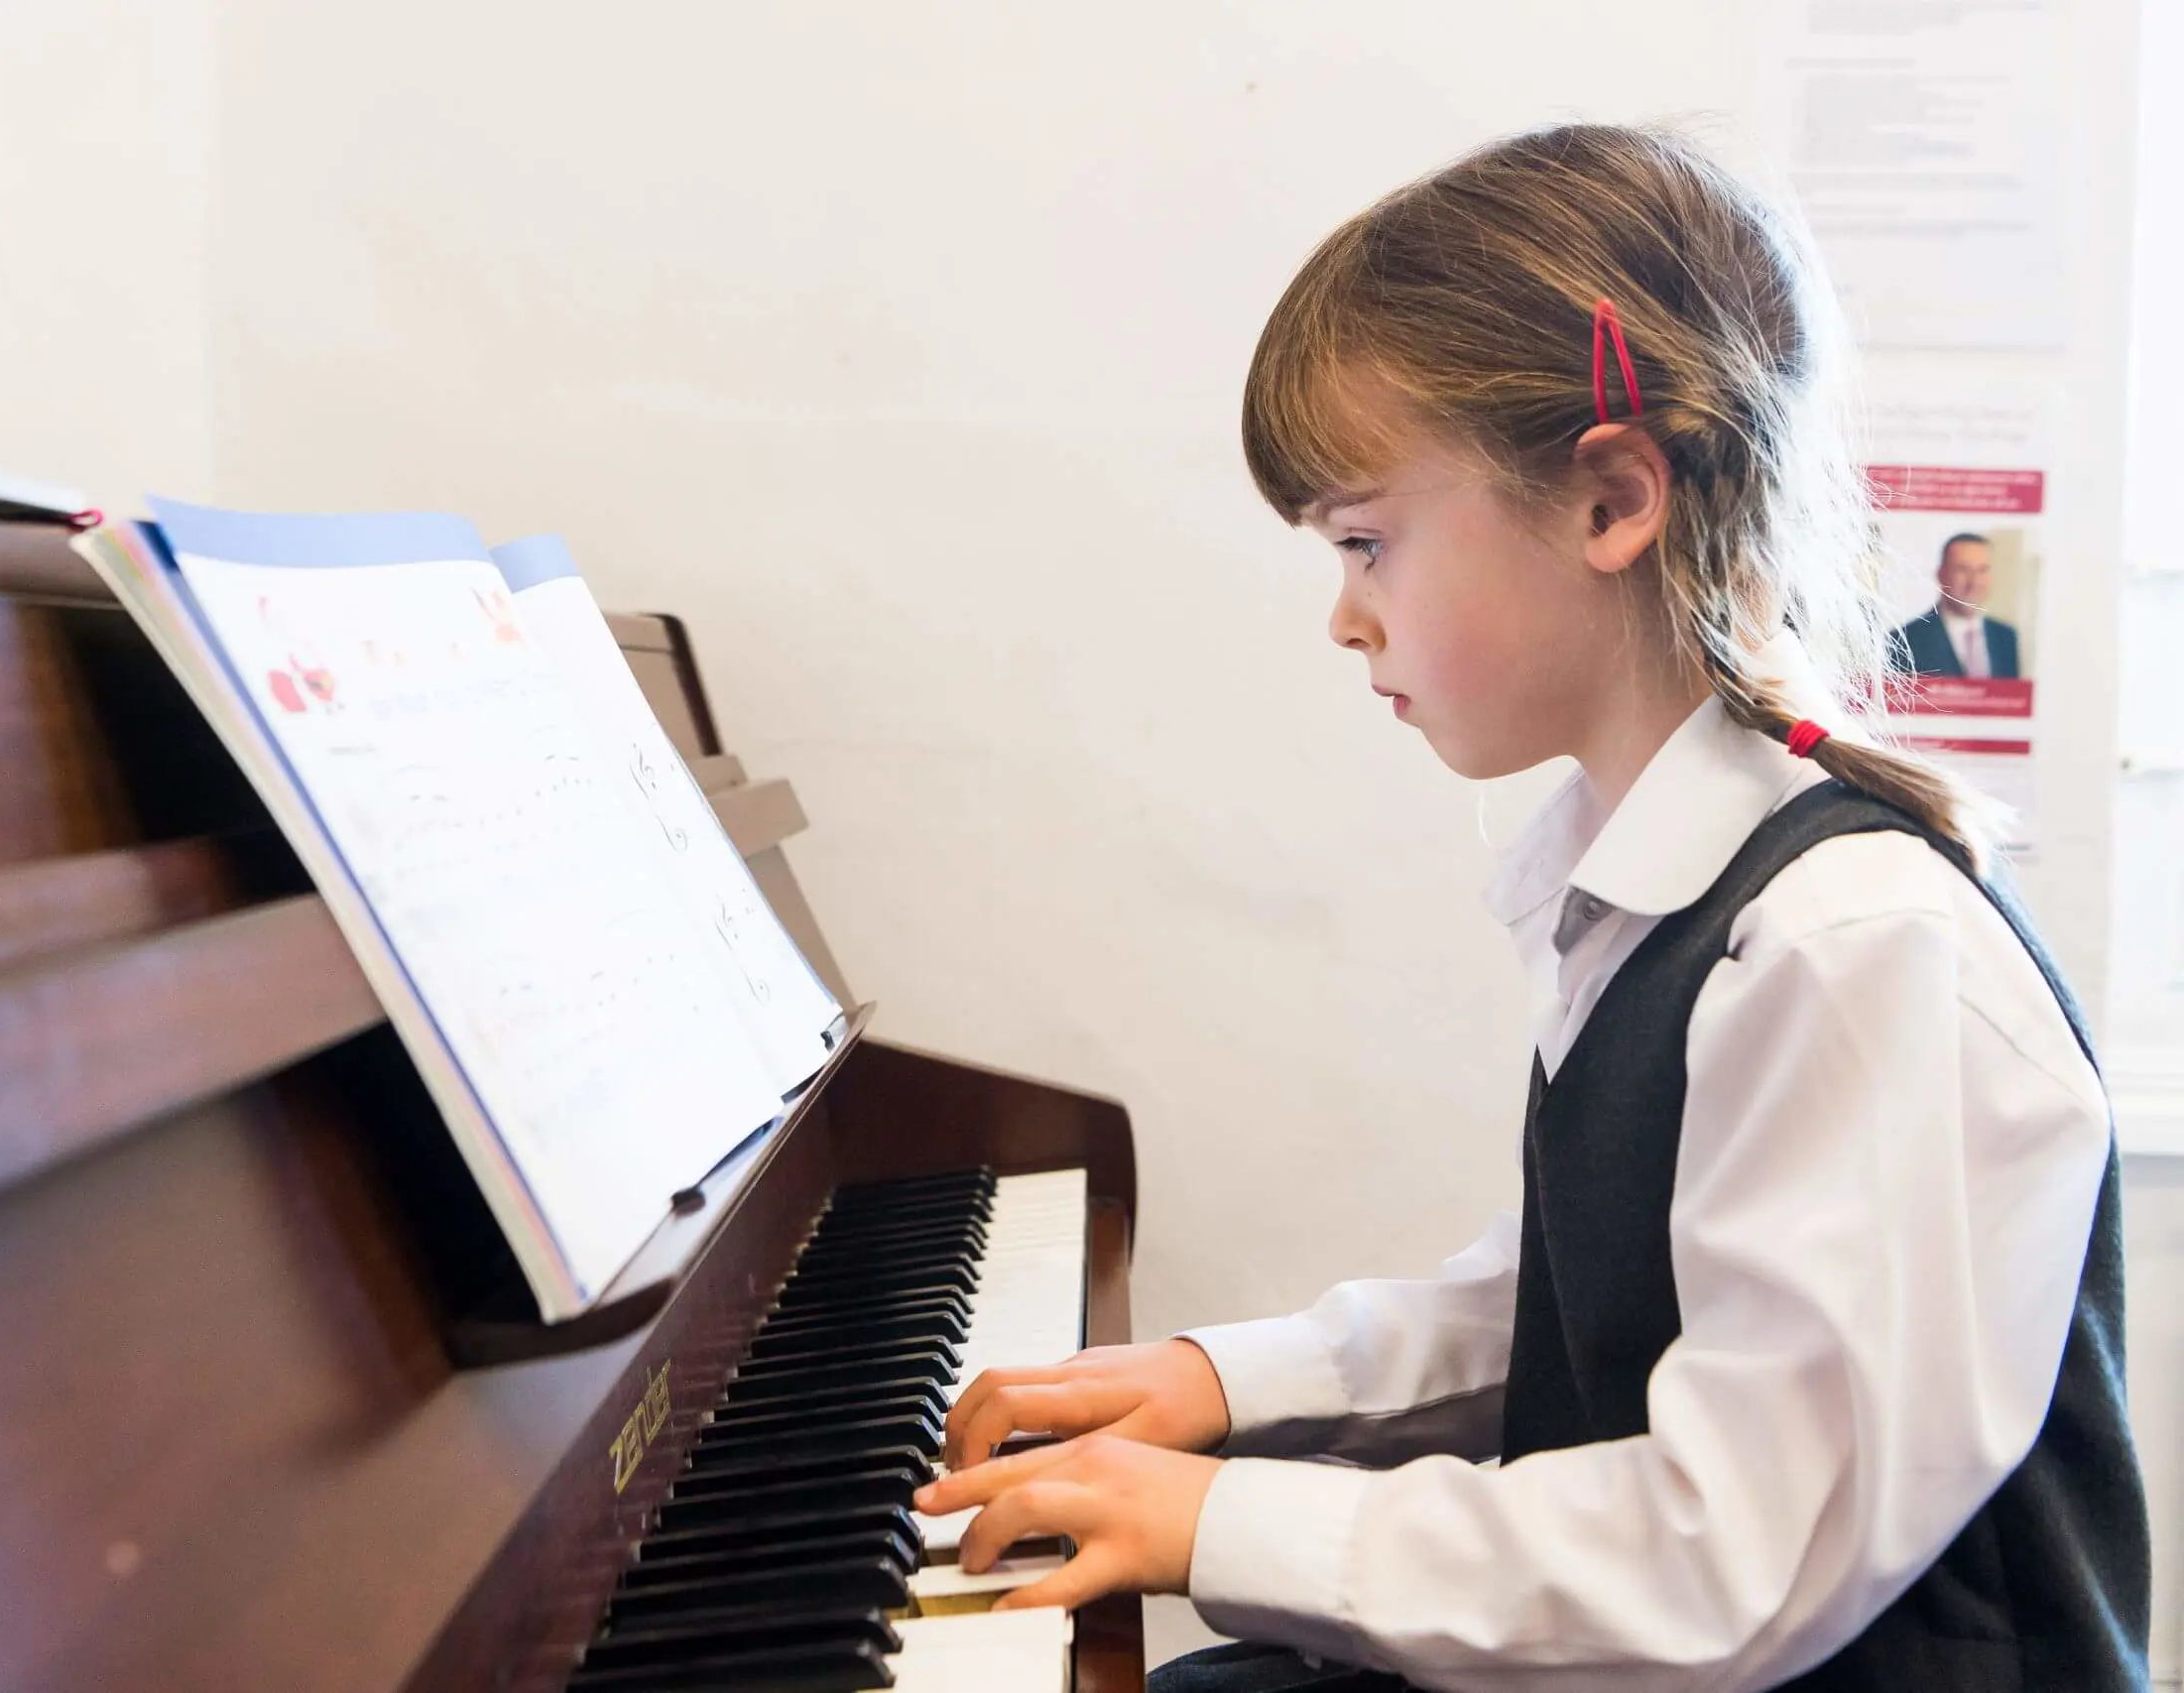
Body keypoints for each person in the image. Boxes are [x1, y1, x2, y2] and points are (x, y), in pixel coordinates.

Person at [913, 124, 2145, 1691]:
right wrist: (1223, 1382)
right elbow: (1587, 1310)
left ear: (1610, 501)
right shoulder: (1655, 875)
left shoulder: (1852, 953)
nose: (1345, 615)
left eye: (1367, 539)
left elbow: (1730, 1563)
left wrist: (1218, 1517)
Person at [1893, 534, 2021, 679]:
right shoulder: (1905, 640)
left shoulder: (2006, 637)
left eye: (1982, 570)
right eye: (1963, 570)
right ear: (1940, 574)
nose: (1974, 582)